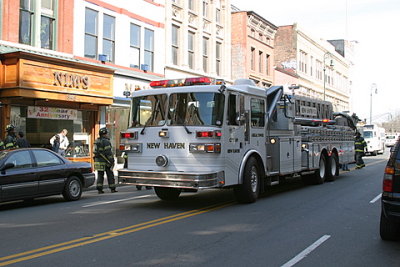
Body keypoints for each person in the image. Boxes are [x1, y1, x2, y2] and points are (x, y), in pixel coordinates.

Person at [94, 127, 117, 194]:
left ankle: (99, 189)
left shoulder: (97, 141)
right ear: (104, 134)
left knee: (100, 175)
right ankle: (112, 188)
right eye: (106, 133)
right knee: (110, 174)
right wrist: (111, 161)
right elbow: (108, 152)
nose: (107, 134)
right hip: (105, 160)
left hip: (98, 160)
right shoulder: (106, 141)